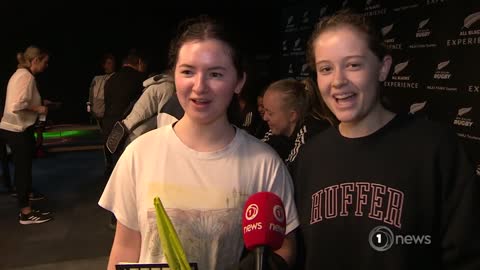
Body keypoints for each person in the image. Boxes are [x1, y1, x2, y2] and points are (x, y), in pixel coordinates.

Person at [99, 16, 299, 270]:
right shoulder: (139, 154)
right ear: (174, 76)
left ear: (238, 81)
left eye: (215, 73)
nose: (199, 86)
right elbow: (126, 247)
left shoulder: (264, 163)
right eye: (187, 72)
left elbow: (284, 245)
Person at [292, 10, 480, 269]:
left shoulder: (434, 147)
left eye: (353, 65)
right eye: (326, 68)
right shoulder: (310, 156)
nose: (338, 81)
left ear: (383, 68)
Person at [0, 46, 53, 224]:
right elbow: (17, 104)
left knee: (22, 170)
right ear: (35, 60)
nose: (46, 66)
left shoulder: (19, 74)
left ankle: (26, 199)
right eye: (44, 62)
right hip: (17, 130)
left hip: (11, 128)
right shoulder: (26, 76)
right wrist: (40, 108)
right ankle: (26, 213)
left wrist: (40, 103)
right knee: (23, 171)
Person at [262, 78, 332, 168]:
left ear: (292, 116)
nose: (265, 118)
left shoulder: (311, 133)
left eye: (270, 113)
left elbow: (291, 170)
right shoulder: (277, 130)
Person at [88, 53, 116, 130]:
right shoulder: (97, 79)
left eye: (110, 63)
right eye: (107, 63)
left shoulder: (116, 78)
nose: (108, 66)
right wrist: (89, 110)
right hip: (95, 116)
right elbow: (90, 97)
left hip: (107, 116)